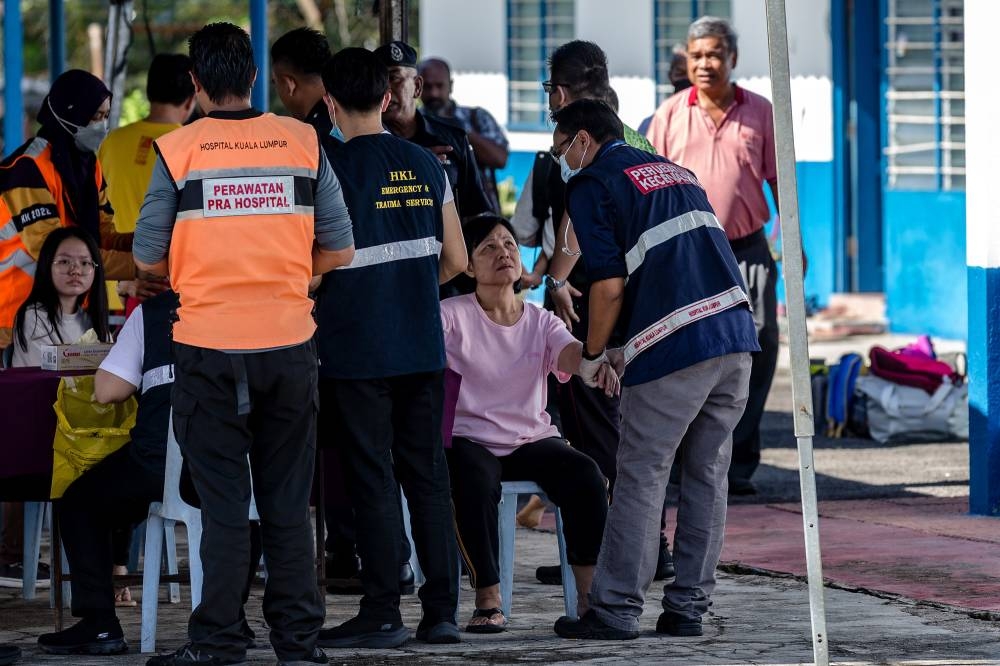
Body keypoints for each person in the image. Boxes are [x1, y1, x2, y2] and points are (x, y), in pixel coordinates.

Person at [134, 22, 355, 666]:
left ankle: (220, 640)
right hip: (289, 345)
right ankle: (298, 642)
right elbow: (339, 247)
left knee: (225, 504)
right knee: (288, 501)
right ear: (255, 77)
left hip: (206, 349)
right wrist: (288, 274)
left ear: (197, 84)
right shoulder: (302, 141)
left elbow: (148, 253)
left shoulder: (179, 151)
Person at [546, 99, 756, 640]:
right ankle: (688, 609)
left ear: (584, 140)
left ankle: (615, 610)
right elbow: (668, 265)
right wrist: (620, 347)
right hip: (733, 336)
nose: (560, 159)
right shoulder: (672, 171)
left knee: (642, 473)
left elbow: (609, 285)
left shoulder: (592, 183)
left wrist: (592, 355)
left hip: (677, 344)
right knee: (707, 474)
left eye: (560, 147)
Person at [313, 46, 466, 649]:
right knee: (427, 476)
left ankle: (381, 611)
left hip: (355, 351)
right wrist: (404, 290)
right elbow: (456, 260)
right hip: (421, 349)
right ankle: (443, 613)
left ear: (328, 103)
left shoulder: (324, 168)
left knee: (372, 477)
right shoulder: (427, 164)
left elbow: (314, 273)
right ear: (386, 97)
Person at [509, 39, 676, 584]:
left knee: (599, 435)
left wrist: (554, 278)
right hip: (638, 305)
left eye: (549, 88)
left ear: (561, 91)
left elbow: (575, 232)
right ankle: (622, 548)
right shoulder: (633, 139)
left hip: (591, 309)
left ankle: (625, 553)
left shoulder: (584, 148)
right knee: (624, 433)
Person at [271, 27, 415, 597]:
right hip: (406, 334)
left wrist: (303, 281)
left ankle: (371, 578)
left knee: (359, 458)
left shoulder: (312, 152)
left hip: (336, 330)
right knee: (403, 467)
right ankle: (413, 586)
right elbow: (452, 259)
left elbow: (318, 250)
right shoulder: (414, 157)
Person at [442, 214, 616, 633]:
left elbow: (572, 354)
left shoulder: (541, 321)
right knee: (472, 479)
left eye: (510, 245)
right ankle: (488, 597)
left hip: (529, 439)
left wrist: (597, 360)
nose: (503, 252)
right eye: (488, 248)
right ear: (468, 266)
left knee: (585, 474)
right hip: (470, 439)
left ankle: (590, 599)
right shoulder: (449, 316)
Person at [645, 16, 780, 495]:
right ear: (687, 58)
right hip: (690, 254)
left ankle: (738, 461)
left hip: (748, 247)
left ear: (733, 58)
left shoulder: (762, 110)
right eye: (697, 55)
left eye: (714, 54)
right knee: (689, 351)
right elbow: (648, 187)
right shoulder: (668, 115)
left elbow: (780, 178)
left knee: (758, 345)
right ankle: (687, 456)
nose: (705, 63)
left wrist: (793, 240)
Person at [0, 68, 135, 350]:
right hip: (14, 321)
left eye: (105, 116)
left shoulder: (88, 165)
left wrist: (149, 247)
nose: (102, 125)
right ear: (71, 113)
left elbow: (103, 234)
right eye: (95, 116)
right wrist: (142, 267)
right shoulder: (28, 168)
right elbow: (59, 255)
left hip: (68, 316)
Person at [98, 53, 194, 311]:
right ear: (191, 99)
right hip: (162, 289)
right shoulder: (191, 146)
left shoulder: (111, 143)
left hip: (110, 287)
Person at [374, 41, 491, 220]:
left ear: (417, 86)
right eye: (379, 81)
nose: (385, 90)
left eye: (394, 78)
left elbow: (474, 213)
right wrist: (413, 165)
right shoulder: (367, 144)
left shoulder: (452, 140)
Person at [418, 57, 509, 212]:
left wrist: (459, 132)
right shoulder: (413, 124)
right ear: (417, 87)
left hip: (481, 219)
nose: (434, 93)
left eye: (439, 86)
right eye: (428, 87)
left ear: (451, 86)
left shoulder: (476, 117)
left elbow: (500, 158)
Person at [11, 227, 110, 367]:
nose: (75, 270)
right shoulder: (33, 317)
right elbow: (46, 381)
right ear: (47, 265)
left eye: (85, 263)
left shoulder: (92, 320)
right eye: (64, 262)